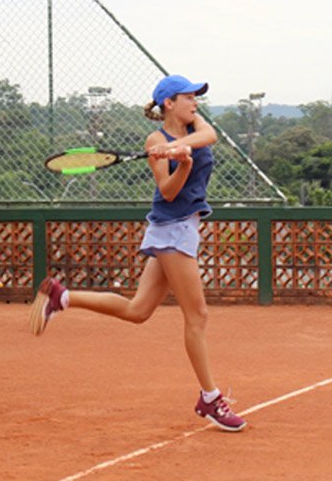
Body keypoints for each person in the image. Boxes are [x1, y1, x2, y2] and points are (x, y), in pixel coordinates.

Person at [28, 74, 246, 432]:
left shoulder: (197, 126)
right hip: (172, 227)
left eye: (196, 96)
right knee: (198, 315)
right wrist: (182, 163)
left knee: (138, 310)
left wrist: (182, 149)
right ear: (169, 103)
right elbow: (169, 191)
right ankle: (210, 398)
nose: (195, 102)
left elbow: (210, 137)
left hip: (181, 227)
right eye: (188, 96)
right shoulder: (154, 140)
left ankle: (62, 296)